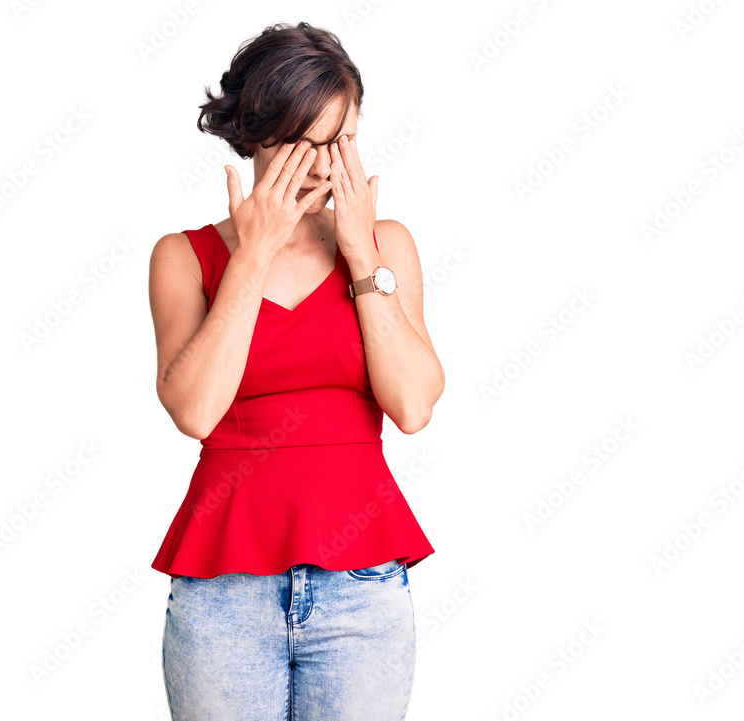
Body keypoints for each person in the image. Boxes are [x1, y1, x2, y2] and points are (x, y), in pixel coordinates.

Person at [148, 21, 445, 720]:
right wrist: (253, 254)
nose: (322, 167)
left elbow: (412, 405)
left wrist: (362, 256)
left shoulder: (386, 245)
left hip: (362, 588)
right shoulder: (184, 257)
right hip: (224, 594)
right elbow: (195, 410)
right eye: (301, 143)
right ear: (253, 134)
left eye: (341, 141)